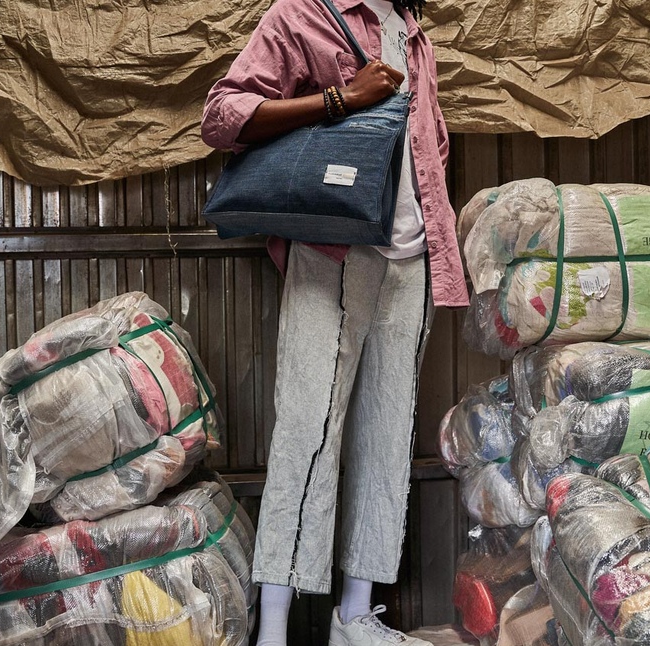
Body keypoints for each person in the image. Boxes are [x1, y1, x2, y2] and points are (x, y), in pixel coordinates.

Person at [201, 0, 469, 642]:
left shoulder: (412, 29)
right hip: (332, 251)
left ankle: (354, 616)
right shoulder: (301, 14)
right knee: (305, 433)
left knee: (386, 433)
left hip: (411, 260)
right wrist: (339, 99)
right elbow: (221, 116)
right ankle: (273, 629)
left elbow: (426, 150)